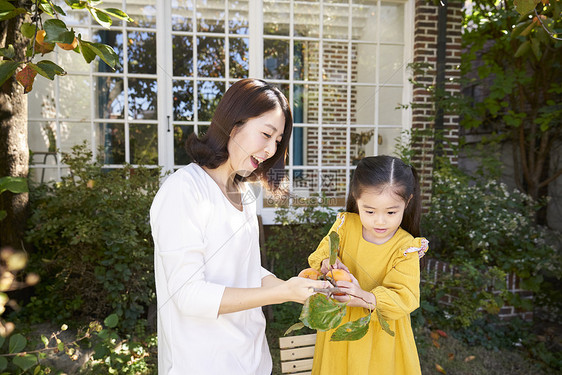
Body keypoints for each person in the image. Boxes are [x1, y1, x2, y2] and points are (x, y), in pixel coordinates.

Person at [150, 78, 329, 375]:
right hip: (203, 363)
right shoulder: (184, 190)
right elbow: (189, 295)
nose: (271, 149)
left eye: (277, 140)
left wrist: (292, 286)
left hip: (252, 359)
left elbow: (246, 270)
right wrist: (282, 294)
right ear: (234, 124)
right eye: (266, 134)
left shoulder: (244, 194)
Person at [307, 155, 429, 375]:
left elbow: (406, 297)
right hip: (339, 326)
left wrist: (362, 296)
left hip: (381, 336)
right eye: (370, 211)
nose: (380, 221)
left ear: (407, 202)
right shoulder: (344, 227)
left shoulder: (406, 247)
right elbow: (321, 254)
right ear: (356, 199)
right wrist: (328, 262)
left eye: (391, 212)